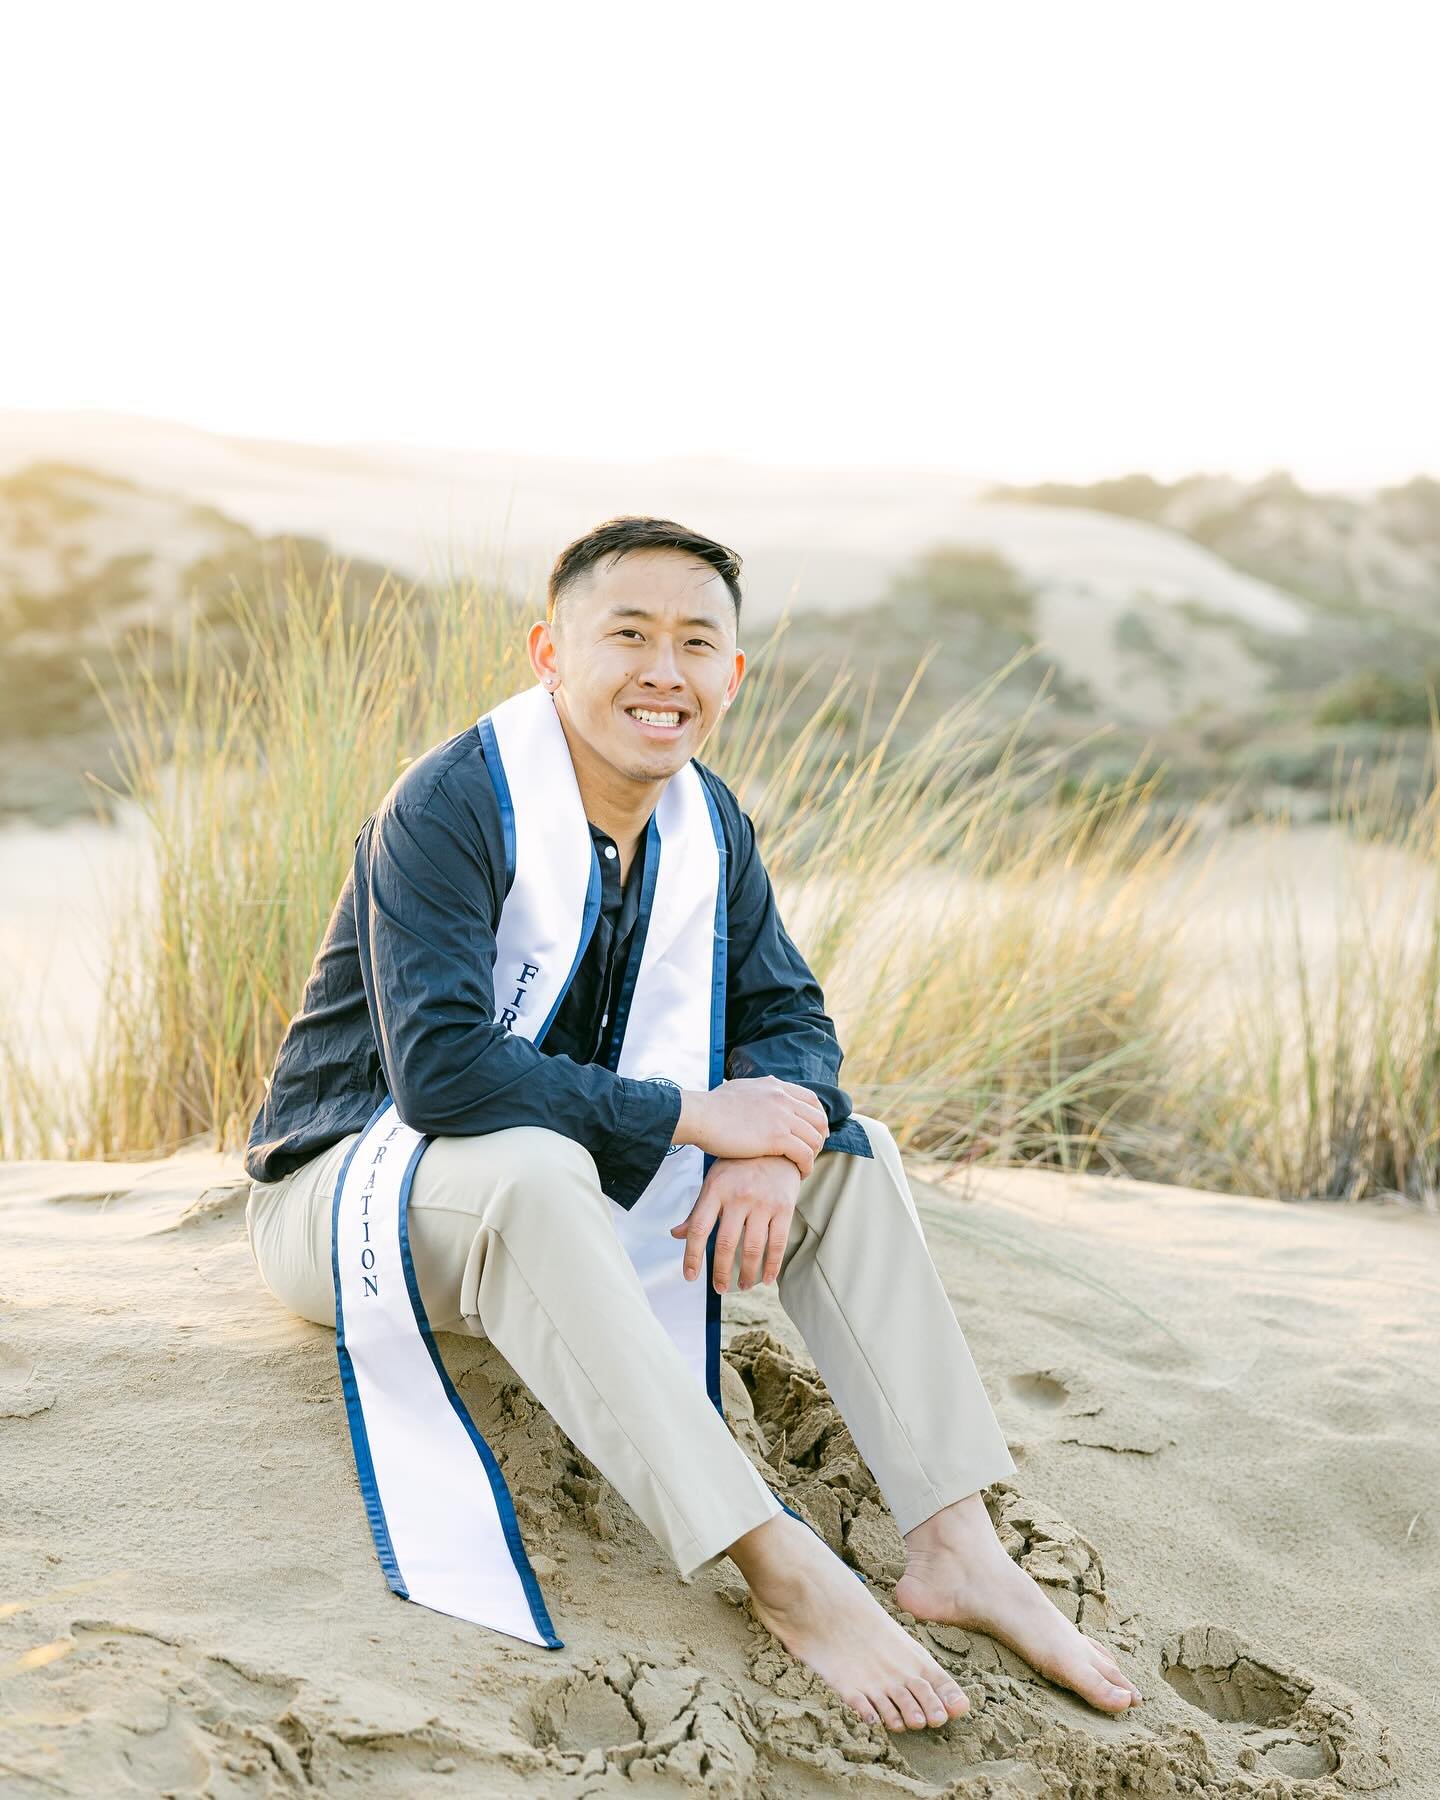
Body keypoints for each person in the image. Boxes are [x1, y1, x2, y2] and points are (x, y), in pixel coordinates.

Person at [244, 515, 1142, 1733]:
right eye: (628, 635)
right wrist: (695, 1113)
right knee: (531, 1169)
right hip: (355, 1194)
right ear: (549, 653)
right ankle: (778, 1565)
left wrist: (775, 1148)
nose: (663, 670)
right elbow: (445, 1079)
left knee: (849, 1158)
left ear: (731, 674)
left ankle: (956, 1544)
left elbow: (792, 1021)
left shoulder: (707, 824)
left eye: (695, 642)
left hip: (550, 1185)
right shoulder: (453, 804)